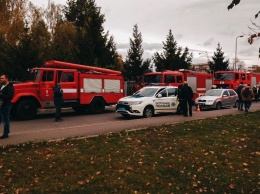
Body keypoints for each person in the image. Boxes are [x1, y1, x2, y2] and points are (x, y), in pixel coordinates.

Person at [0, 74, 14, 139]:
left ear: (6, 79)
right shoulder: (2, 86)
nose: (1, 79)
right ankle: (6, 132)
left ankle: (6, 134)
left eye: (2, 78)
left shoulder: (9, 87)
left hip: (6, 105)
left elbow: (10, 97)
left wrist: (1, 95)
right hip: (1, 105)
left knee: (5, 120)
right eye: (0, 78)